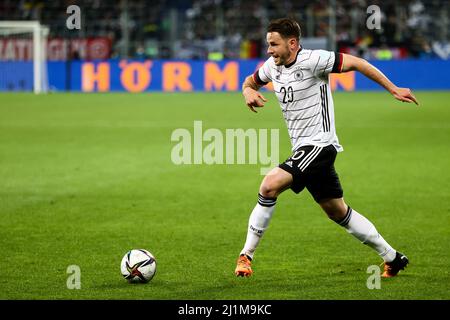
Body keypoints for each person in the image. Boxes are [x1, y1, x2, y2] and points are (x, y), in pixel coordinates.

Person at [235, 18, 419, 278]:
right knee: (337, 211)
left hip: (320, 145)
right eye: (268, 45)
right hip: (304, 149)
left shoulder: (314, 60)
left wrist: (392, 89)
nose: (269, 50)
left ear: (292, 43)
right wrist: (247, 93)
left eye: (273, 44)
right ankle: (393, 257)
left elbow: (357, 62)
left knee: (269, 185)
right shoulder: (272, 67)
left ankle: (246, 256)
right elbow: (249, 82)